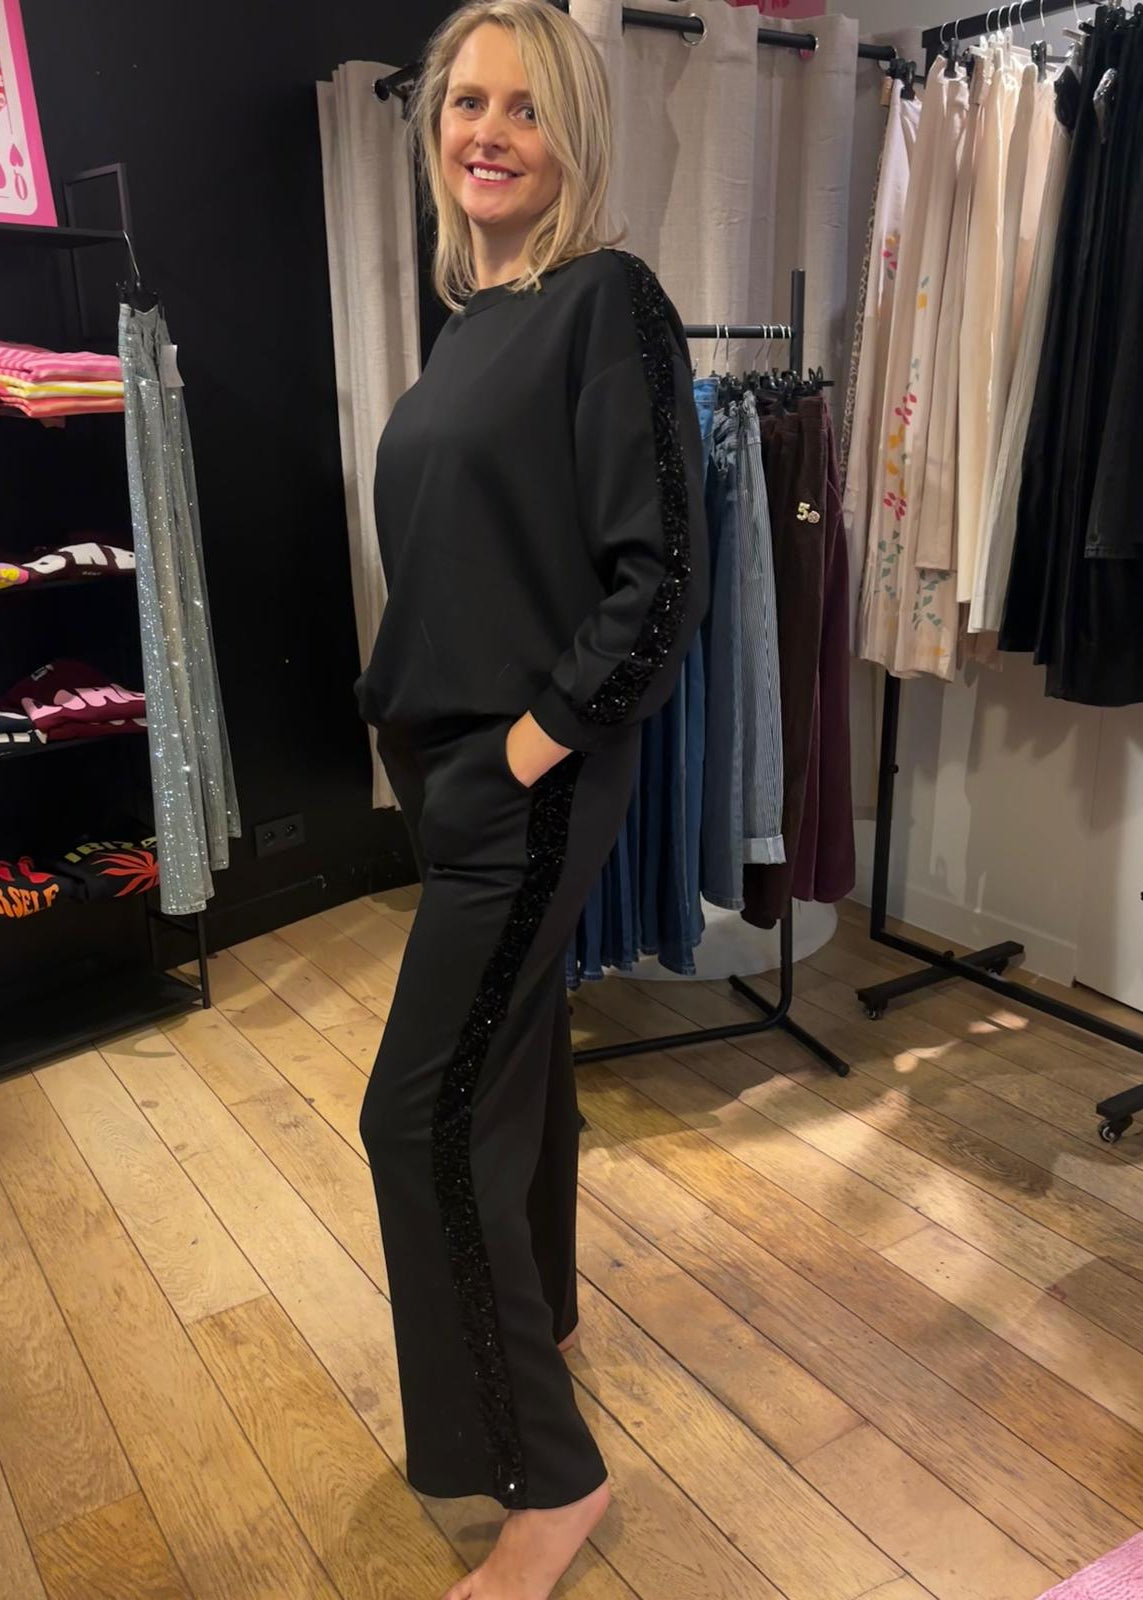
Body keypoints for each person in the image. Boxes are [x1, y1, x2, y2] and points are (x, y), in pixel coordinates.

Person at [355, 2, 708, 1595]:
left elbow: (664, 577)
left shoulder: (604, 300)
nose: (486, 131)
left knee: (418, 1117)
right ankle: (542, 1319)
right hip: (454, 770)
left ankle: (548, 1481)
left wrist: (523, 751)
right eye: (465, 102)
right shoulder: (469, 323)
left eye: (524, 107)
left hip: (524, 779)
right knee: (513, 1081)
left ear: (573, 138)